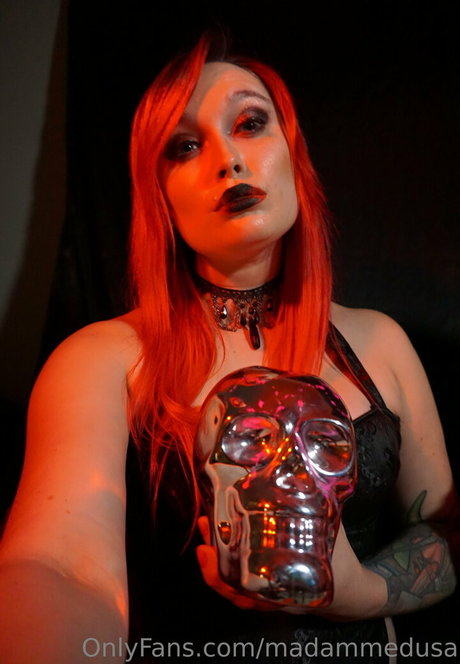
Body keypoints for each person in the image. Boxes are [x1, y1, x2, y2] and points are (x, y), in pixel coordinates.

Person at [0, 33, 457, 664]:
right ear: (159, 196)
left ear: (293, 154)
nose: (229, 160)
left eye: (249, 123)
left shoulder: (381, 343)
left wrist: (361, 593)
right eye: (186, 146)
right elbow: (60, 565)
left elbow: (444, 531)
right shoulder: (101, 361)